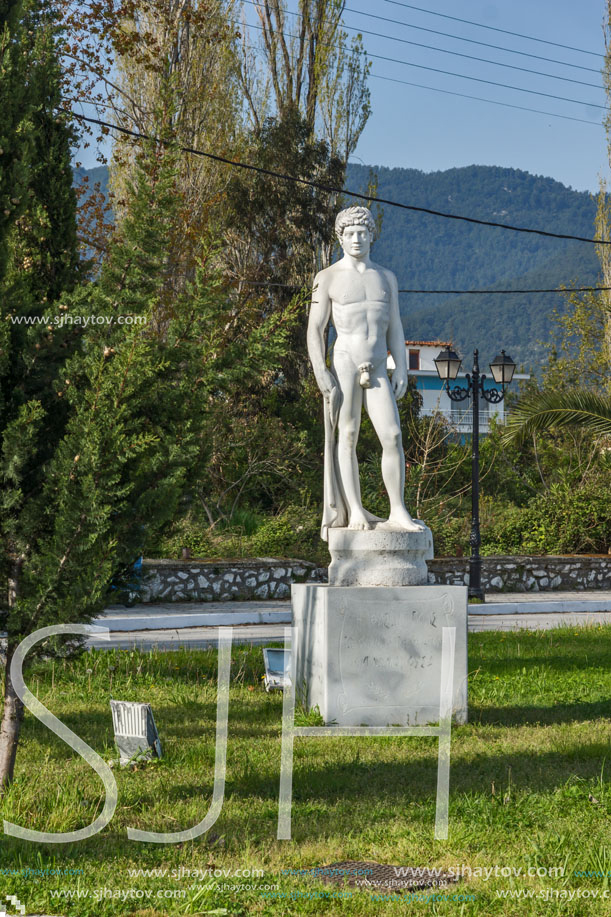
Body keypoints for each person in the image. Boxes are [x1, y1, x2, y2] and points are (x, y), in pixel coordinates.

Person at [307, 205, 424, 540]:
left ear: (372, 235)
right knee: (348, 435)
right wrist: (320, 369)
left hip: (377, 366)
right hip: (344, 361)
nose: (356, 239)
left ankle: (398, 509)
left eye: (362, 232)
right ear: (340, 238)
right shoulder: (326, 278)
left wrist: (401, 365)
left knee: (393, 436)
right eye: (350, 233)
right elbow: (315, 328)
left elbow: (396, 326)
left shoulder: (387, 278)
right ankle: (354, 509)